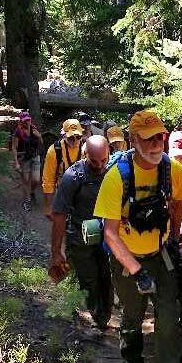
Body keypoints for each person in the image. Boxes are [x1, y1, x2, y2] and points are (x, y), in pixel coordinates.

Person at [93, 109, 182, 363]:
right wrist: (136, 270)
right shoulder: (116, 176)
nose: (156, 143)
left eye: (160, 136)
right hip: (128, 259)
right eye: (148, 138)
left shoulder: (171, 168)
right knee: (133, 317)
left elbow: (177, 203)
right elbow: (109, 233)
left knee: (168, 323)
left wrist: (173, 237)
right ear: (134, 140)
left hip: (159, 255)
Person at [49, 136, 113, 330]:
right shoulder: (73, 177)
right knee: (89, 279)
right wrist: (55, 251)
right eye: (95, 161)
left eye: (104, 160)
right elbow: (59, 214)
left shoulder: (114, 170)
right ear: (85, 155)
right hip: (81, 237)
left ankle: (105, 314)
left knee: (108, 277)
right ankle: (99, 317)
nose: (101, 165)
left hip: (108, 235)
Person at [42, 119, 84, 219]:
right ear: (63, 135)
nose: (75, 141)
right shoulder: (54, 151)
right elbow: (48, 178)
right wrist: (48, 206)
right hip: (62, 189)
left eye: (78, 137)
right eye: (70, 138)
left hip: (82, 190)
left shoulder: (86, 148)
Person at [11, 111, 43, 212]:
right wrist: (16, 162)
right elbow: (14, 147)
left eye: (28, 119)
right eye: (25, 120)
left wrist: (39, 136)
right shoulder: (18, 131)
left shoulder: (34, 129)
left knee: (36, 179)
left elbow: (41, 143)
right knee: (25, 180)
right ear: (21, 121)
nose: (27, 122)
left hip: (35, 156)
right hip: (24, 158)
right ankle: (27, 201)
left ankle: (32, 192)